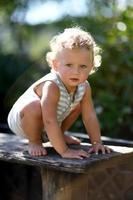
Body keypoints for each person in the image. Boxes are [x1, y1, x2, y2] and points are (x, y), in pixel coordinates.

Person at [7, 27, 111, 159]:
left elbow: (89, 116)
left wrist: (97, 143)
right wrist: (64, 151)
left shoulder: (84, 87)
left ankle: (58, 135)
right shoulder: (52, 85)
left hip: (49, 120)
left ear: (91, 67)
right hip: (23, 121)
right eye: (69, 65)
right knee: (34, 105)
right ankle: (34, 141)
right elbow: (49, 120)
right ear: (56, 65)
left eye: (83, 66)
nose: (76, 72)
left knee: (79, 105)